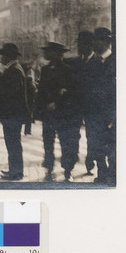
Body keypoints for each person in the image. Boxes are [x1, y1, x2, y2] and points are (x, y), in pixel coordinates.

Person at [37, 42, 78, 182]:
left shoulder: (67, 69)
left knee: (65, 142)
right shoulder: (45, 70)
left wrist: (57, 102)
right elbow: (41, 90)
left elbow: (71, 92)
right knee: (48, 142)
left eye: (47, 51)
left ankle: (67, 171)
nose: (45, 54)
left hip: (62, 113)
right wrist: (44, 105)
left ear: (56, 53)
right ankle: (49, 169)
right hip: (48, 114)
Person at [65, 31, 100, 176]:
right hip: (75, 106)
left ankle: (89, 162)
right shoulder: (73, 62)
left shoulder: (99, 62)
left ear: (91, 44)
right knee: (73, 136)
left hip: (92, 107)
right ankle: (69, 166)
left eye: (83, 43)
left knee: (92, 136)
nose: (80, 46)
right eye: (79, 43)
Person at [0, 44, 29, 181]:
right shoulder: (14, 69)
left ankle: (16, 172)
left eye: (2, 54)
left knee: (13, 144)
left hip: (12, 115)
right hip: (12, 115)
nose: (0, 57)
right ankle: (14, 170)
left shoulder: (14, 71)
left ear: (8, 56)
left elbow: (13, 95)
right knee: (12, 144)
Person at [91, 27, 116, 184]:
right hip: (96, 113)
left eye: (97, 40)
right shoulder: (95, 62)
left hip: (111, 113)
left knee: (113, 146)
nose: (93, 43)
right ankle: (102, 173)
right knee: (97, 145)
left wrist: (113, 115)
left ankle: (113, 175)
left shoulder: (116, 61)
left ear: (106, 42)